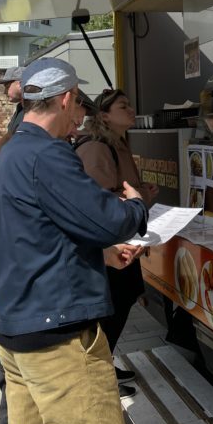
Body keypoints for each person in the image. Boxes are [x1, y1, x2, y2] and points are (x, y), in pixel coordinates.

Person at [0, 58, 148, 424]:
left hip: (17, 333)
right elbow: (111, 220)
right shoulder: (48, 156)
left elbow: (32, 234)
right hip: (58, 339)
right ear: (66, 99)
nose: (80, 120)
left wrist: (101, 256)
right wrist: (136, 207)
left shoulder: (7, 156)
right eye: (79, 109)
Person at [75, 88, 158, 396]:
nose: (131, 109)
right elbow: (96, 201)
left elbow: (120, 190)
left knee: (123, 299)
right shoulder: (96, 147)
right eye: (123, 106)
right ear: (105, 115)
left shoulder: (117, 142)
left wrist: (142, 195)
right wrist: (134, 200)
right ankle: (96, 378)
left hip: (122, 238)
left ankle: (103, 365)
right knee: (111, 307)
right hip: (109, 245)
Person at [0, 66, 25, 134]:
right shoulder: (20, 108)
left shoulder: (35, 109)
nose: (4, 92)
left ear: (20, 84)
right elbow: (9, 136)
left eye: (7, 87)